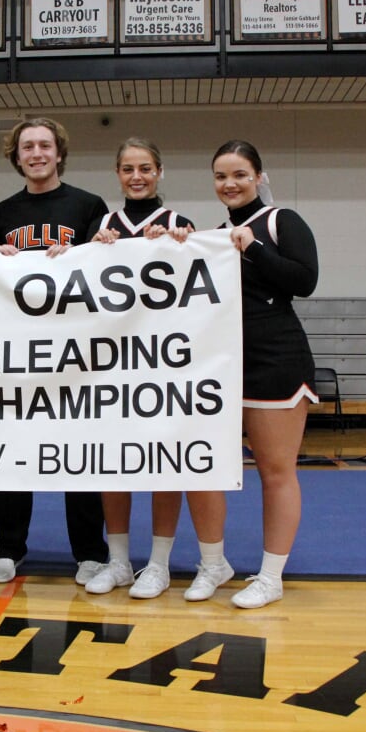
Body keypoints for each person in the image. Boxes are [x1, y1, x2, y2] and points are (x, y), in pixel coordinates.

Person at [171, 140, 319, 608]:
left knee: (276, 471)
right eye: (220, 176)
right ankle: (213, 562)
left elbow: (305, 281)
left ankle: (270, 575)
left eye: (238, 174)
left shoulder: (280, 221)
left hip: (276, 359)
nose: (229, 184)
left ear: (259, 176)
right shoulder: (213, 236)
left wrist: (254, 248)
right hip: (219, 363)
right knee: (202, 466)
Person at [81, 137, 225, 601]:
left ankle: (158, 564)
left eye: (145, 168)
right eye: (127, 169)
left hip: (161, 365)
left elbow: (197, 292)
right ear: (118, 174)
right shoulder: (102, 223)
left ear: (159, 172)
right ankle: (119, 560)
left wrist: (184, 246)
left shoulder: (179, 223)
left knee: (165, 466)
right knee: (113, 467)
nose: (137, 176)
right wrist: (95, 249)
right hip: (110, 364)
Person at [0, 116, 109, 584]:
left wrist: (93, 250)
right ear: (16, 157)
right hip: (18, 354)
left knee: (79, 454)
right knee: (15, 452)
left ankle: (90, 554)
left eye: (45, 145)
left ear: (59, 153)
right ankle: (9, 548)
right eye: (27, 147)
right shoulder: (2, 213)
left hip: (75, 351)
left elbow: (106, 265)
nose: (36, 153)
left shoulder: (88, 204)